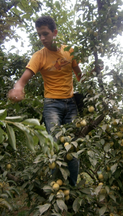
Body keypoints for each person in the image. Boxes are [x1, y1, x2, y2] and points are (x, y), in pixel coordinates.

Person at [8, 15, 82, 186]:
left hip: (71, 103)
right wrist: (18, 87)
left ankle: (72, 188)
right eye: (39, 35)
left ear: (54, 32)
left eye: (45, 34)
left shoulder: (69, 51)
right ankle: (55, 191)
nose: (42, 38)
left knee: (72, 147)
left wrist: (94, 73)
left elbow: (79, 75)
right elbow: (23, 78)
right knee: (54, 146)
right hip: (52, 105)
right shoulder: (39, 56)